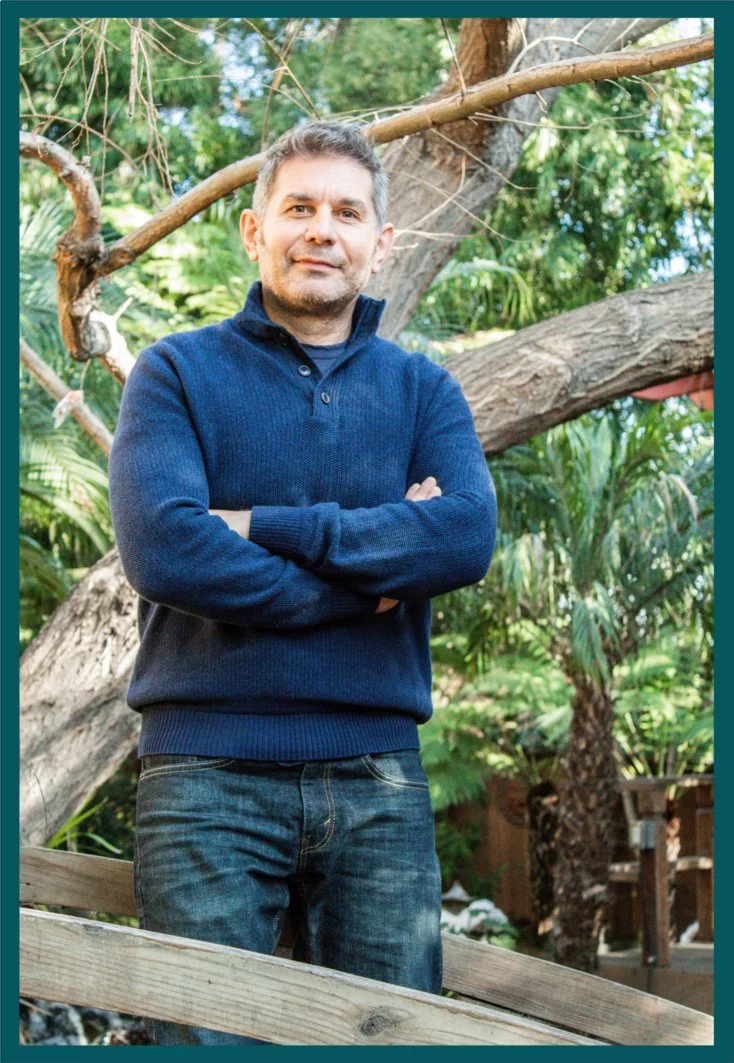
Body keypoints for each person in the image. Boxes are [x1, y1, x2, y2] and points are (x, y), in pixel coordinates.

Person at [108, 121, 497, 1045]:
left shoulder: (424, 393)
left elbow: (464, 536)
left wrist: (262, 525)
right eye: (299, 208)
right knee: (204, 1043)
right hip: (204, 773)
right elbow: (165, 549)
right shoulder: (175, 373)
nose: (321, 230)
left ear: (380, 243)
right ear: (255, 232)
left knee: (391, 1040)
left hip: (377, 777)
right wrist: (363, 589)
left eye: (346, 212)